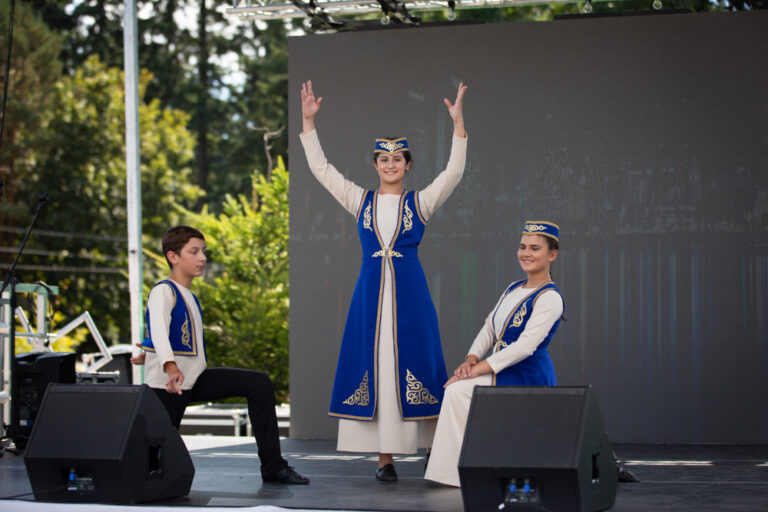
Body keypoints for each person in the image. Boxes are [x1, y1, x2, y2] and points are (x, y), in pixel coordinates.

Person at [299, 80, 468, 482]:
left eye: (398, 159)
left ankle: (433, 448)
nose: (390, 165)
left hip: (411, 296)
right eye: (383, 159)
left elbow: (454, 172)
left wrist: (458, 124)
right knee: (379, 366)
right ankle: (384, 459)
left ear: (408, 165)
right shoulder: (359, 200)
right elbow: (322, 170)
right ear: (374, 165)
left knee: (419, 362)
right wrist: (308, 122)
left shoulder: (420, 202)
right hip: (370, 298)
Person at [131, 226, 309, 485]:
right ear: (173, 256)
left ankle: (273, 466)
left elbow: (170, 335)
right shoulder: (163, 290)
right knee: (153, 464)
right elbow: (158, 329)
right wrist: (167, 364)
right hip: (168, 387)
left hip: (193, 379)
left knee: (259, 384)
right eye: (194, 252)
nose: (202, 258)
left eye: (203, 251)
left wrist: (150, 352)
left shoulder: (189, 295)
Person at [425, 221, 564, 487]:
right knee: (456, 389)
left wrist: (476, 370)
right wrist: (471, 359)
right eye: (523, 247)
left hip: (527, 375)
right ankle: (455, 470)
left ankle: (455, 473)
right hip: (500, 370)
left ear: (552, 255)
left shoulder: (550, 297)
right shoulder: (513, 288)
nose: (526, 253)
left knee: (457, 391)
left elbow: (525, 347)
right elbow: (489, 328)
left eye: (535, 248)